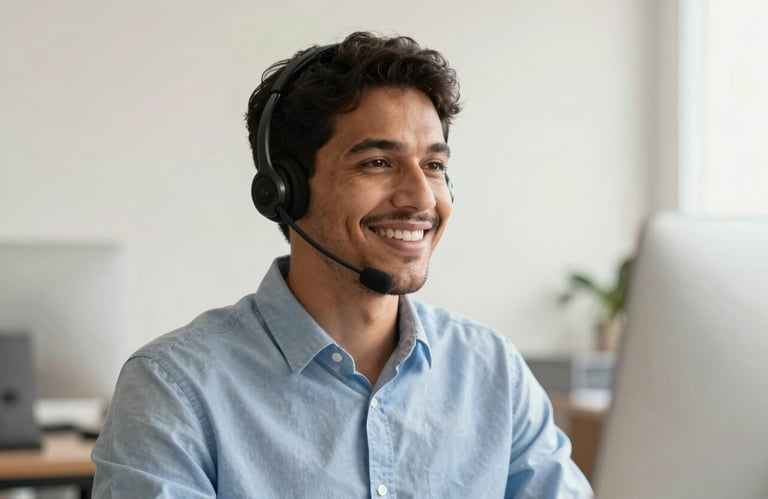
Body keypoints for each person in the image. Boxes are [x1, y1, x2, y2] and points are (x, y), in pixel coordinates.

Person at [91, 31, 593, 498]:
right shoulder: (174, 389)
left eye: (435, 166)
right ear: (285, 190)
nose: (421, 197)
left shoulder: (491, 371)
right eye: (378, 162)